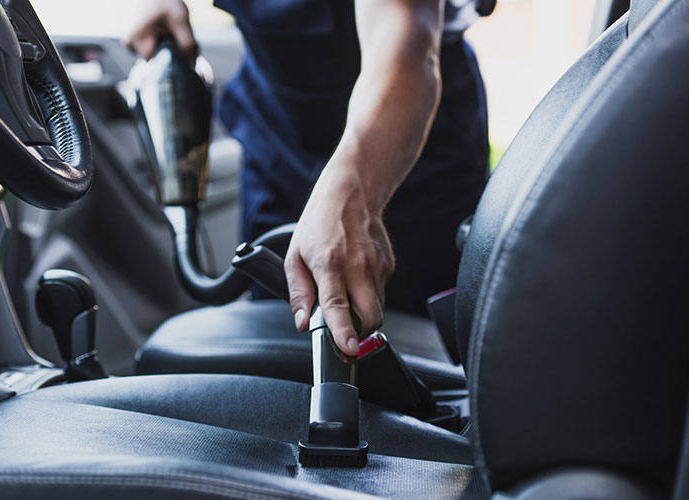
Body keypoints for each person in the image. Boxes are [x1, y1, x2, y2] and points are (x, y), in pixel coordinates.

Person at [129, 0, 493, 358]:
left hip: (410, 143)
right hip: (276, 127)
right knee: (281, 340)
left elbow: (404, 39)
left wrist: (354, 196)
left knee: (434, 356)